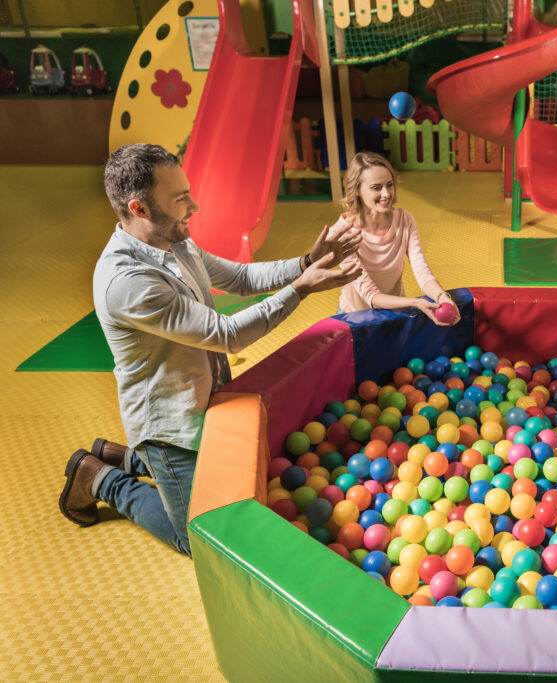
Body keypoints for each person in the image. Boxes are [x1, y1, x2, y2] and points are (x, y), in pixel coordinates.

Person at [58, 143, 363, 556]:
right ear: (140, 208)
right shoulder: (127, 282)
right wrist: (301, 289)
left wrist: (308, 261)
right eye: (180, 198)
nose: (194, 205)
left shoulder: (174, 240)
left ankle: (123, 457)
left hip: (207, 400)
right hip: (171, 428)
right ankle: (99, 477)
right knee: (197, 539)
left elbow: (238, 277)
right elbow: (227, 334)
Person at [329, 152, 458, 325]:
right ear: (357, 190)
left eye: (389, 185)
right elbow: (371, 295)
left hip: (394, 314)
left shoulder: (405, 220)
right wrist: (416, 302)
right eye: (376, 187)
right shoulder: (343, 233)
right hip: (355, 318)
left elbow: (422, 271)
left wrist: (442, 297)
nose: (386, 194)